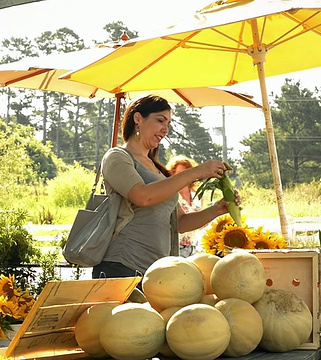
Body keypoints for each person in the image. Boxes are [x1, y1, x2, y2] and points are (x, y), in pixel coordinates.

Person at [92, 95, 240, 280]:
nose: (165, 129)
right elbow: (142, 196)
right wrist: (196, 172)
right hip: (123, 267)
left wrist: (218, 209)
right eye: (160, 120)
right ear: (138, 119)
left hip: (156, 272)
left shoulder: (157, 169)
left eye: (168, 123)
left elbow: (181, 222)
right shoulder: (117, 157)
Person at [166, 155, 202, 257]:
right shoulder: (171, 195)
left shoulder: (197, 196)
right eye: (179, 174)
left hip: (194, 247)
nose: (183, 177)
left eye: (187, 173)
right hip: (176, 247)